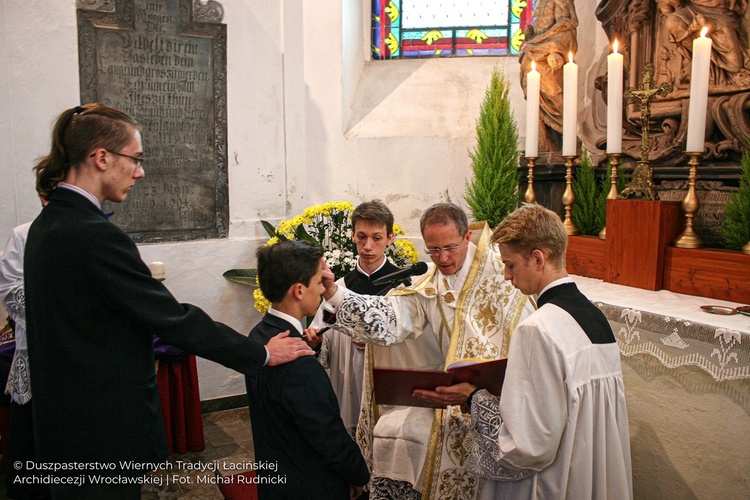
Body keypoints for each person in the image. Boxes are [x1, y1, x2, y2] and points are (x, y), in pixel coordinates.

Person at [23, 103, 314, 499]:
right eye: (136, 159)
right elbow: (173, 318)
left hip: (64, 421)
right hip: (101, 430)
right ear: (102, 157)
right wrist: (259, 353)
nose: (140, 172)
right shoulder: (94, 234)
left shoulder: (48, 223)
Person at [320, 203, 534, 499]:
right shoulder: (431, 282)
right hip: (457, 398)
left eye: (450, 247)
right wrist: (335, 295)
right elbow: (392, 318)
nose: (442, 258)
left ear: (467, 237)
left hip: (507, 401)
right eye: (433, 250)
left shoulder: (503, 274)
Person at [436, 203, 632, 499]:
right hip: (594, 475)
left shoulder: (537, 328)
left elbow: (526, 447)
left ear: (538, 258)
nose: (505, 275)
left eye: (511, 264)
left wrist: (474, 398)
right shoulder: (595, 317)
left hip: (554, 483)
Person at [246, 240, 370, 499]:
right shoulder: (299, 362)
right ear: (299, 290)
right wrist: (359, 475)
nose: (322, 289)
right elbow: (328, 436)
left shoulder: (260, 337)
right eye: (318, 283)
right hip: (309, 487)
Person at [306, 200, 405, 436]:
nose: (367, 246)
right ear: (352, 236)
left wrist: (377, 341)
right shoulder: (339, 288)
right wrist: (317, 343)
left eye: (377, 237)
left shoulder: (402, 289)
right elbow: (323, 336)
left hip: (387, 383)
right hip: (348, 378)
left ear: (390, 238)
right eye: (361, 237)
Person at [0, 220, 51, 499]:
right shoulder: (23, 234)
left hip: (75, 360)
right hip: (34, 349)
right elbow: (10, 290)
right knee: (31, 439)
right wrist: (58, 304)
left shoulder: (88, 231)